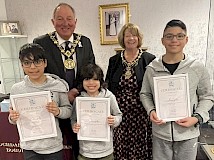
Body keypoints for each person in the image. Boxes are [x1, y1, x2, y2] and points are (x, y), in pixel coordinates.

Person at [140, 19, 214, 160]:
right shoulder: (152, 68)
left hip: (188, 134)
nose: (174, 40)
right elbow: (145, 94)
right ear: (162, 40)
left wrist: (197, 118)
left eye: (179, 36)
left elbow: (207, 97)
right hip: (161, 134)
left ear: (186, 39)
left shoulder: (197, 68)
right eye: (169, 36)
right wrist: (151, 111)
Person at [33, 3, 95, 159]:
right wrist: (62, 95)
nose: (65, 23)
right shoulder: (41, 43)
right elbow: (38, 76)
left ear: (75, 21)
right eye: (60, 19)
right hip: (53, 106)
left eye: (69, 19)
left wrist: (77, 91)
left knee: (80, 145)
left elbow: (91, 72)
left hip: (80, 103)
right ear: (53, 22)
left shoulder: (85, 42)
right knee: (56, 149)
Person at [8, 43, 72, 160]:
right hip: (30, 146)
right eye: (27, 63)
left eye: (37, 62)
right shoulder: (16, 89)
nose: (33, 67)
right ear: (22, 65)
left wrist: (58, 111)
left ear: (45, 63)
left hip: (53, 146)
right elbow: (12, 119)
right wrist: (12, 117)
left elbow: (68, 110)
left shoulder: (57, 85)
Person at [105, 23, 156, 160]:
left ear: (139, 38)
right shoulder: (114, 60)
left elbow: (154, 87)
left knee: (139, 145)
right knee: (119, 144)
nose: (131, 38)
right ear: (123, 38)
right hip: (119, 112)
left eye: (134, 35)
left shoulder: (149, 59)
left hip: (141, 112)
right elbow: (107, 86)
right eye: (128, 35)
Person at [71, 63, 122, 160]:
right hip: (85, 152)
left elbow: (119, 115)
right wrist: (74, 126)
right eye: (87, 79)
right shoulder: (79, 99)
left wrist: (114, 120)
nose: (91, 83)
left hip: (106, 151)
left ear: (100, 81)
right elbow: (73, 119)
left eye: (95, 79)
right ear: (82, 81)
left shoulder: (109, 96)